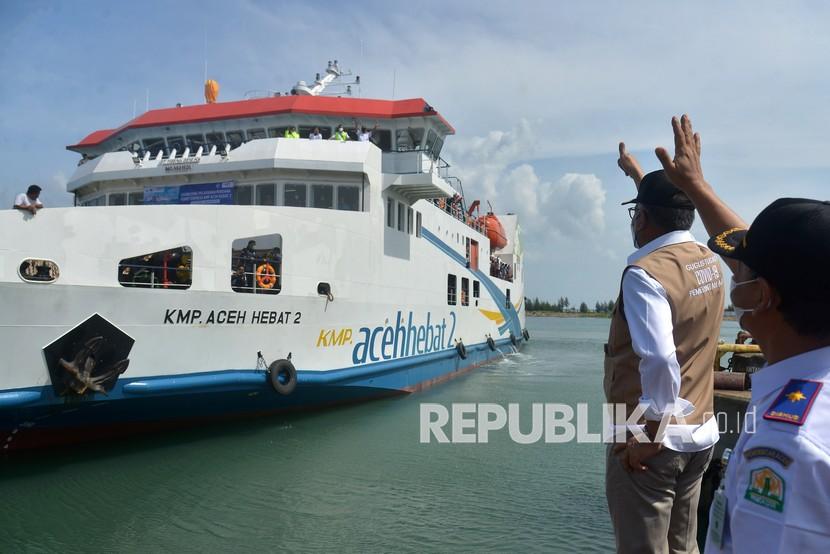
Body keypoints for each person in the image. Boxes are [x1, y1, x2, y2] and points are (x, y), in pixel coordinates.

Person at [651, 115, 830, 553]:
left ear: (762, 296)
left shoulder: (786, 445)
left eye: (741, 270)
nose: (733, 273)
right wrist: (696, 185)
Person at [605, 151, 725, 553]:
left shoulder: (645, 275)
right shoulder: (709, 260)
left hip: (652, 443)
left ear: (642, 218)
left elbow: (658, 358)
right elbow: (661, 205)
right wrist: (638, 174)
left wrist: (651, 434)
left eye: (636, 213)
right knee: (684, 546)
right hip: (701, 434)